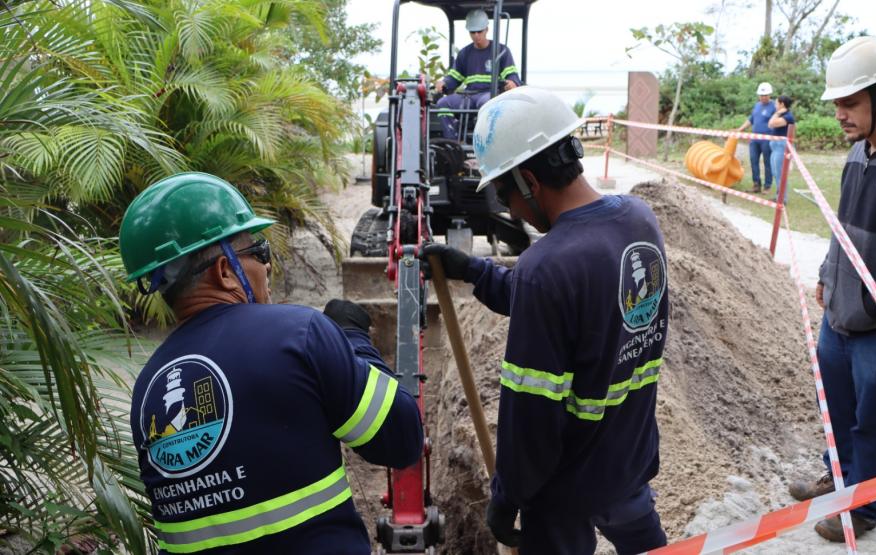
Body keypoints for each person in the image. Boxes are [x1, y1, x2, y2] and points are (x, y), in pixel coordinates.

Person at [118, 172, 424, 554]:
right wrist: (354, 342)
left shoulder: (148, 387)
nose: (267, 268)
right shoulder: (299, 333)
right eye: (260, 253)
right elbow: (401, 440)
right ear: (224, 270)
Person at [423, 87, 669, 555]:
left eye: (503, 193)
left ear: (529, 181)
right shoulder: (639, 221)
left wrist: (507, 495)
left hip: (566, 486)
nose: (509, 209)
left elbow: (532, 414)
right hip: (629, 459)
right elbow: (577, 305)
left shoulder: (546, 268)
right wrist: (473, 270)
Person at [787, 36, 876, 542]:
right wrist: (827, 274)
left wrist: (874, 302)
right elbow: (842, 227)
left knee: (875, 419)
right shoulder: (858, 153)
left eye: (848, 102)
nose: (839, 114)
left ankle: (864, 508)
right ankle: (838, 480)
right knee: (837, 409)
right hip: (839, 317)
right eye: (836, 103)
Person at [434, 9, 521, 141]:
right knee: (442, 103)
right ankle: (453, 141)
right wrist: (444, 83)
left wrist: (512, 83)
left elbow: (512, 75)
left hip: (489, 94)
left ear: (487, 29)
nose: (476, 35)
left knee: (486, 104)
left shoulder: (501, 51)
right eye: (472, 32)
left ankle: (484, 143)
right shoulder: (464, 53)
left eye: (479, 31)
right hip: (468, 96)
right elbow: (453, 78)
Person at [737, 82, 776, 193]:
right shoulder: (757, 105)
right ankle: (756, 184)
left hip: (767, 139)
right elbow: (751, 119)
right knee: (753, 160)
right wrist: (740, 129)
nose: (763, 97)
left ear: (770, 95)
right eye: (761, 95)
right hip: (754, 140)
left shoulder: (774, 106)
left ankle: (767, 186)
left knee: (767, 162)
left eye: (765, 95)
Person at [767, 95, 796, 203]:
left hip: (781, 147)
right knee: (775, 172)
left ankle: (783, 199)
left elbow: (771, 124)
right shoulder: (783, 115)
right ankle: (779, 196)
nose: (775, 105)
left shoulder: (787, 116)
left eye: (776, 103)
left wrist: (778, 113)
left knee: (780, 173)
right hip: (775, 147)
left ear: (782, 104)